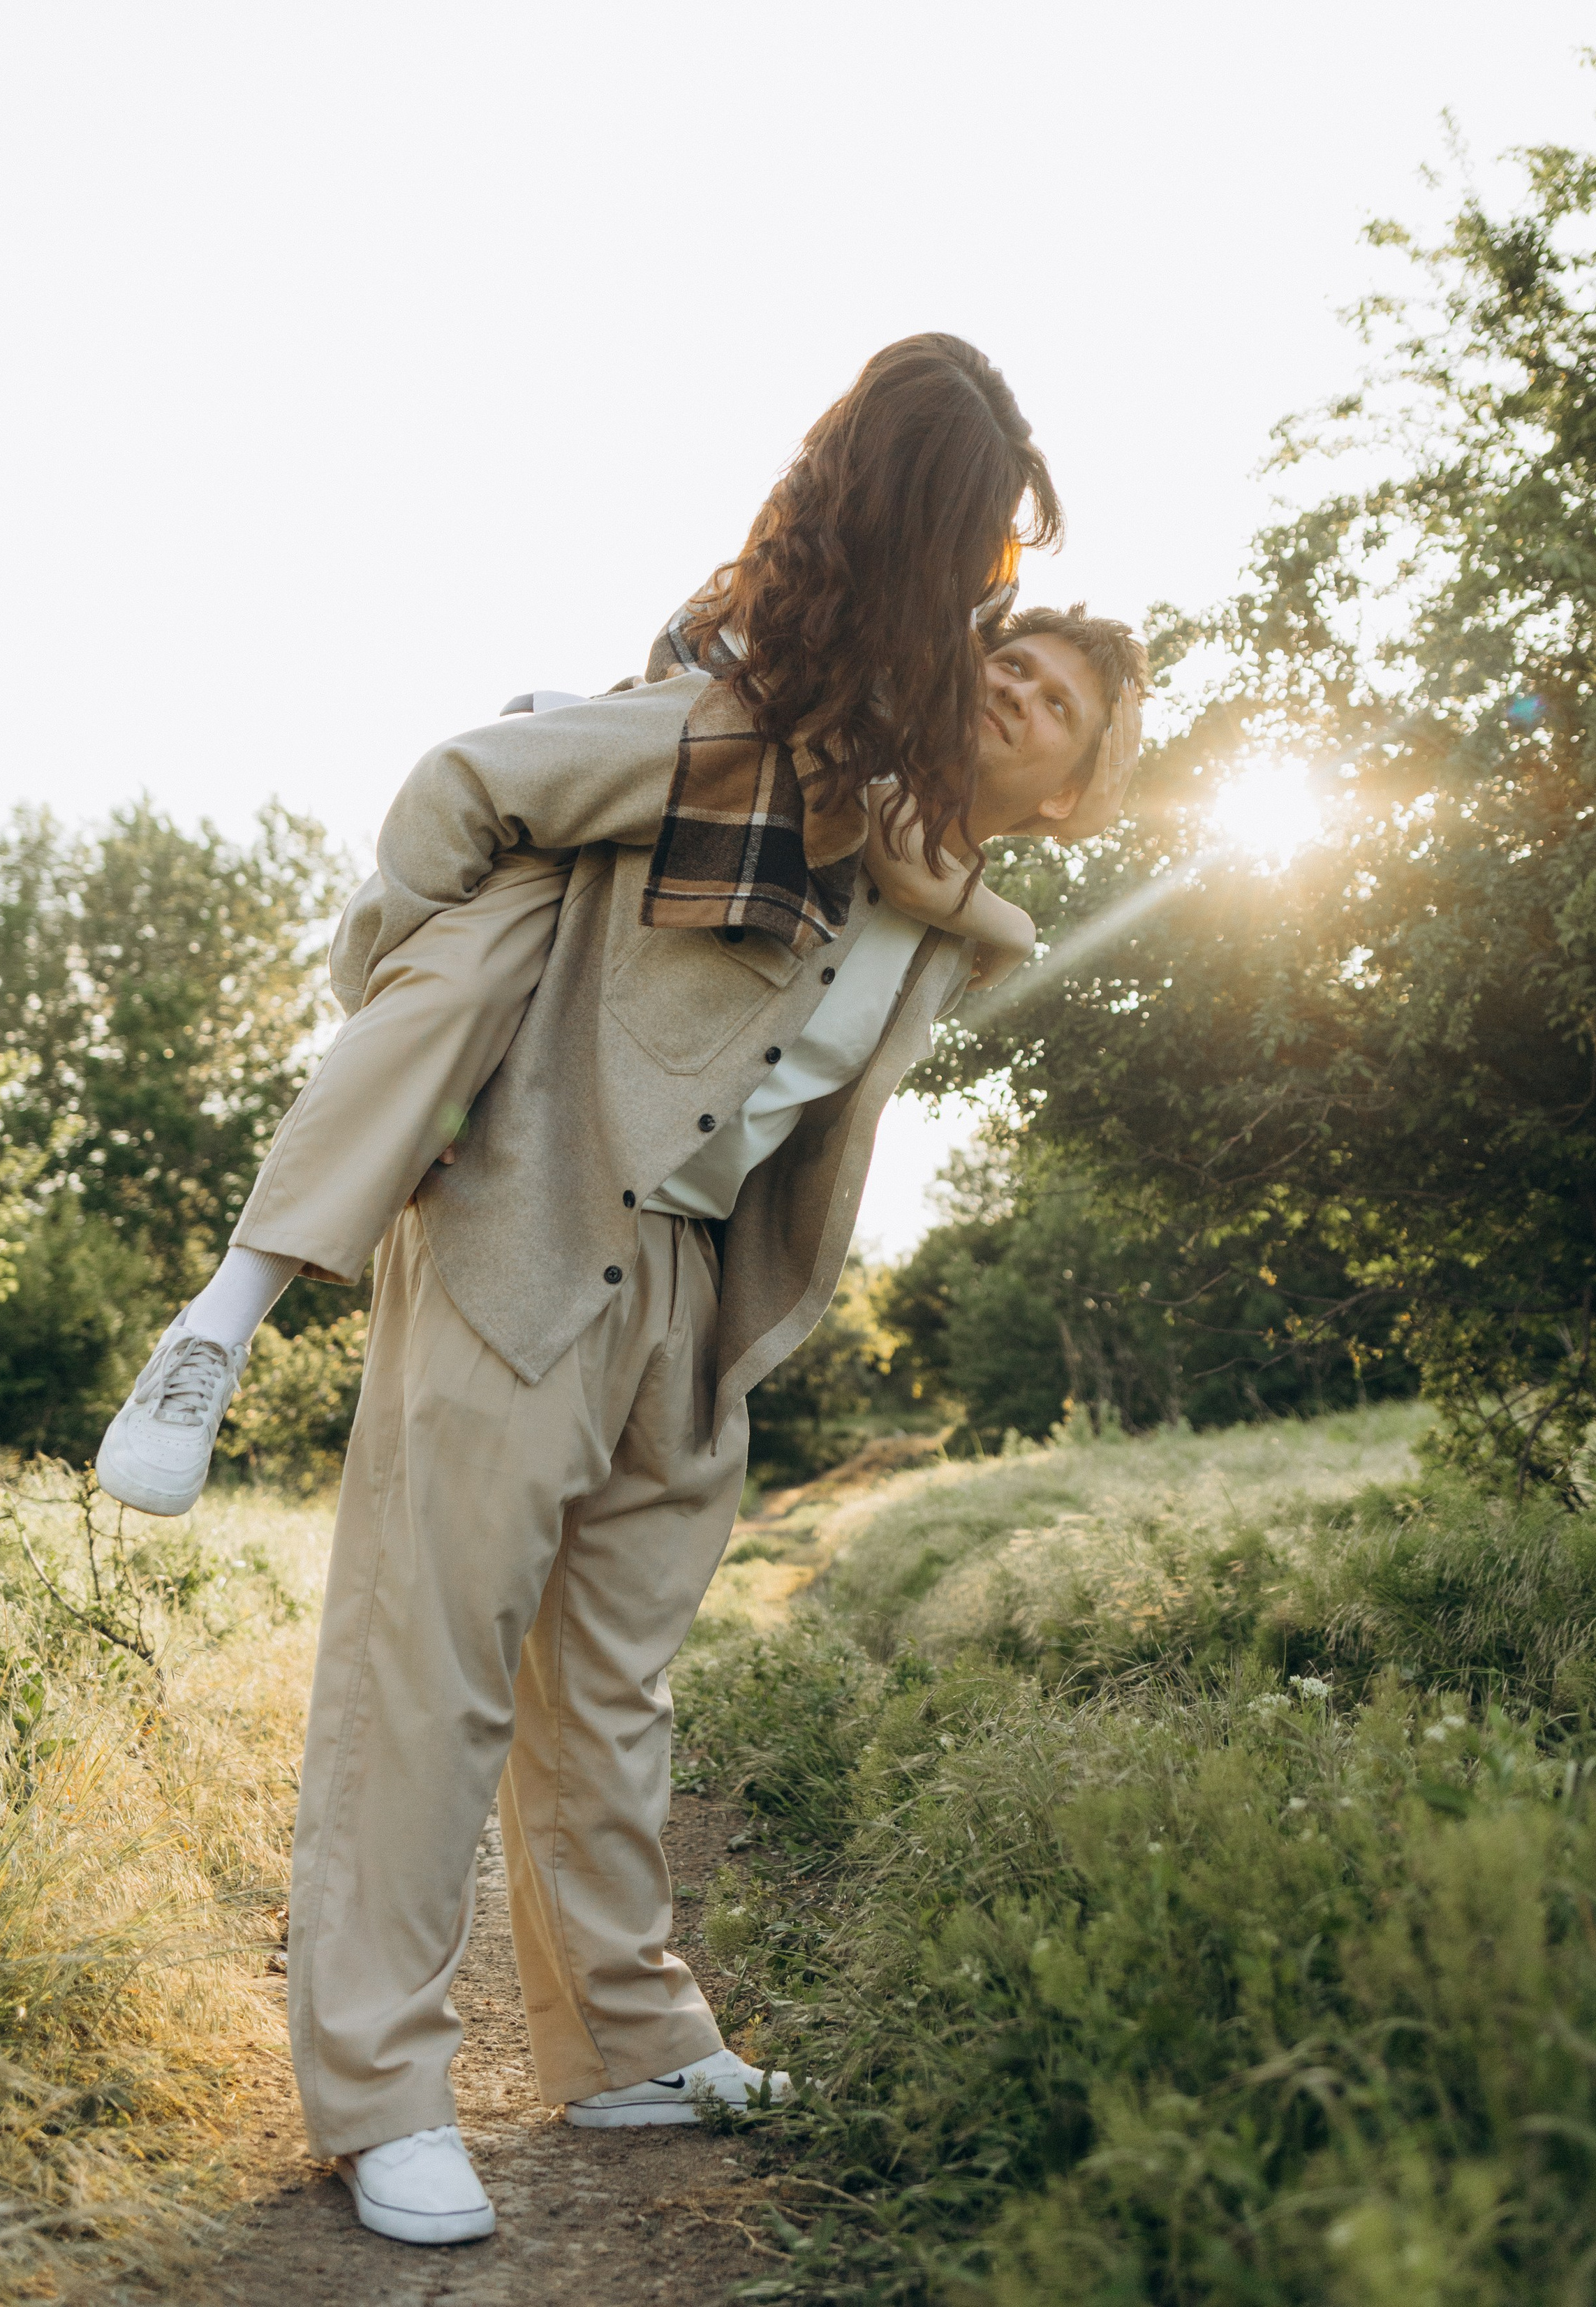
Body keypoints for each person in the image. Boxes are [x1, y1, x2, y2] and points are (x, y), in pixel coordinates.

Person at [102, 334, 1144, 2248]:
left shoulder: (929, 874)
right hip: (533, 1223)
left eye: (1054, 692)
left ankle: (626, 2041)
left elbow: (930, 923)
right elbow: (460, 789)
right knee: (427, 1677)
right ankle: (382, 2091)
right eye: (1003, 645)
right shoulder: (747, 739)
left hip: (693, 1296)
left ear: (1080, 785)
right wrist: (429, 998)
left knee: (616, 1693)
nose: (1011, 680)